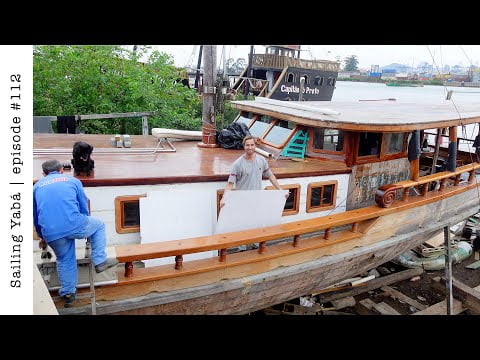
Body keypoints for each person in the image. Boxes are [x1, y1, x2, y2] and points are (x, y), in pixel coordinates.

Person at [33, 159, 118, 307]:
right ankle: (99, 261)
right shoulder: (73, 181)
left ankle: (68, 294)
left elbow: (36, 217)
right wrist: (85, 222)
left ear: (43, 174)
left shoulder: (36, 187)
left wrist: (42, 236)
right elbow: (83, 204)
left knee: (65, 259)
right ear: (61, 170)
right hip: (73, 224)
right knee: (98, 226)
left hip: (51, 233)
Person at [219, 136, 288, 250]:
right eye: (247, 145)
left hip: (257, 199)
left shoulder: (261, 160)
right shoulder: (237, 164)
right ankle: (242, 249)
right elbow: (230, 184)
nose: (250, 147)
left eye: (252, 145)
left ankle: (256, 246)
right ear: (244, 146)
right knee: (242, 225)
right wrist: (224, 199)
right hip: (243, 201)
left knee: (256, 223)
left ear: (255, 146)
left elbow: (270, 175)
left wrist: (280, 190)